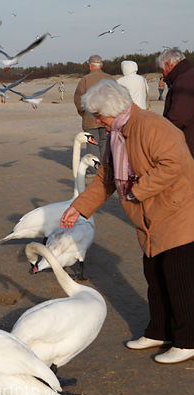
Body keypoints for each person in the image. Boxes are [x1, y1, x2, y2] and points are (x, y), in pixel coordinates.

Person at [61, 79, 194, 365]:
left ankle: (187, 341)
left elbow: (175, 163)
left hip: (177, 211)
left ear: (112, 110)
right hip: (149, 216)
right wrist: (79, 207)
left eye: (98, 115)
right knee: (155, 276)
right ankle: (159, 331)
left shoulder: (151, 126)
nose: (96, 121)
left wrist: (137, 190)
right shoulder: (118, 133)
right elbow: (106, 178)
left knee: (178, 278)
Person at [157, 48, 194, 157]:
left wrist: (160, 133)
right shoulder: (189, 75)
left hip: (189, 145)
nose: (163, 75)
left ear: (168, 64)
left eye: (162, 70)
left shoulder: (184, 81)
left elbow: (179, 118)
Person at [74, 54, 113, 160]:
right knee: (105, 143)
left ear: (90, 65)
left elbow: (78, 100)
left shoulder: (85, 80)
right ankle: (105, 170)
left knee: (92, 144)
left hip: (90, 117)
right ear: (101, 65)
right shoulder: (110, 78)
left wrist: (83, 113)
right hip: (108, 117)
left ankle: (94, 171)